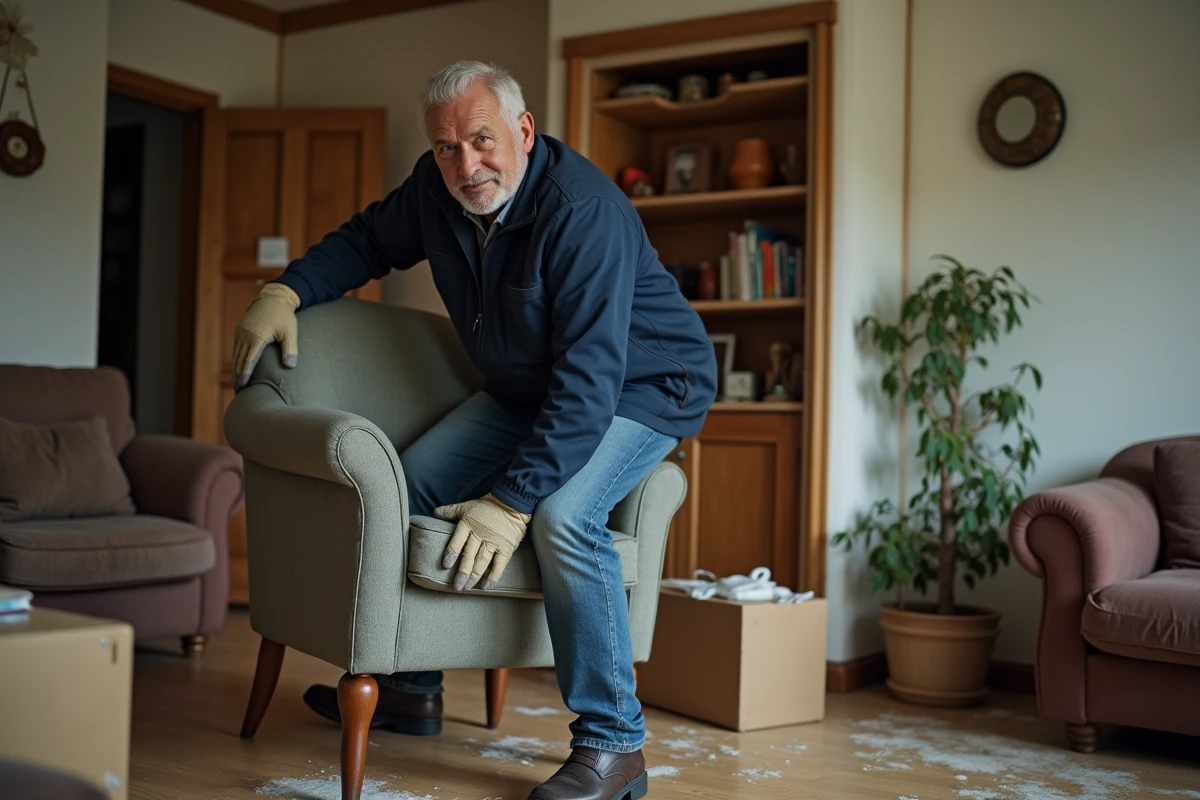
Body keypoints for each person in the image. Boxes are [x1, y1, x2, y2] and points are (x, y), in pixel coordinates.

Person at [231, 60, 717, 800]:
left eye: (482, 140)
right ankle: (409, 687)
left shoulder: (583, 214)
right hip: (527, 389)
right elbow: (367, 242)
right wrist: (285, 288)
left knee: (565, 515)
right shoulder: (438, 189)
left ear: (523, 130)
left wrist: (513, 501)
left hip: (640, 388)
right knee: (413, 483)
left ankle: (614, 745)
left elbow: (587, 386)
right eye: (448, 148)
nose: (467, 164)